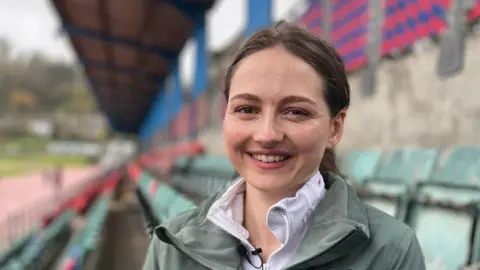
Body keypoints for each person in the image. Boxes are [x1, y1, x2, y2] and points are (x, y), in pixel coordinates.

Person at [143, 21, 425, 270]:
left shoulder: (391, 251)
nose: (267, 135)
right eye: (247, 109)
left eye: (296, 112)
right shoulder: (171, 246)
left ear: (334, 128)